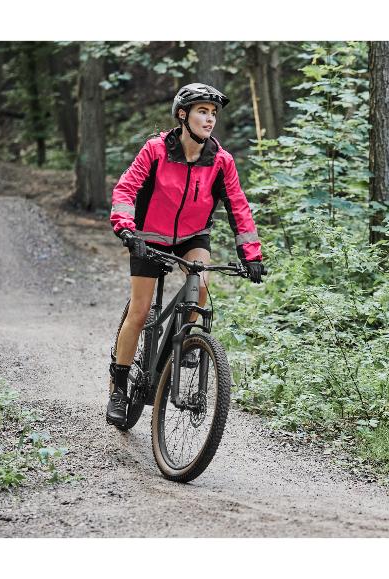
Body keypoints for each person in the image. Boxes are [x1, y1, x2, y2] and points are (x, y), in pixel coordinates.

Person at [106, 82, 265, 426]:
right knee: (141, 309)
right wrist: (125, 227)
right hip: (148, 237)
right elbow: (126, 188)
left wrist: (251, 254)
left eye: (213, 114)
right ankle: (119, 387)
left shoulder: (221, 161)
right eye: (202, 112)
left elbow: (239, 206)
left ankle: (184, 345)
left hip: (192, 236)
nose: (210, 120)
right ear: (183, 115)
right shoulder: (156, 150)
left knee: (202, 283)